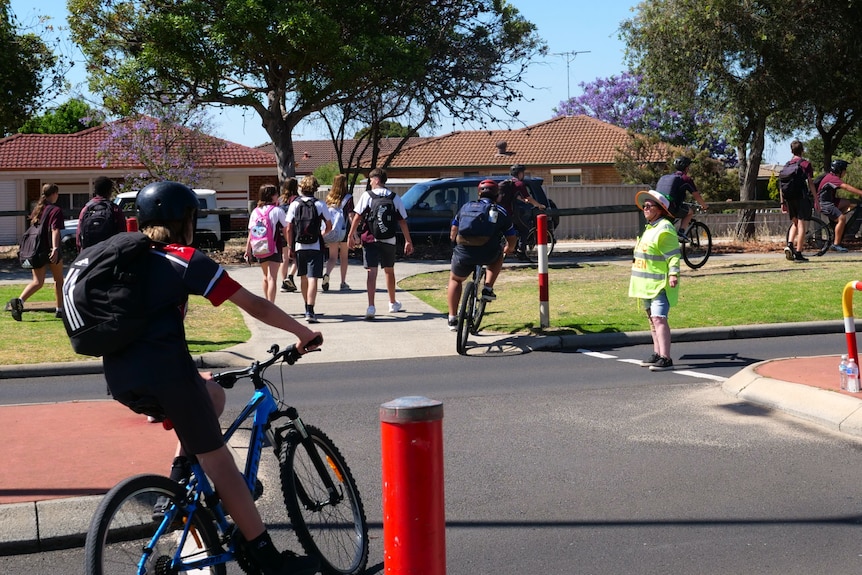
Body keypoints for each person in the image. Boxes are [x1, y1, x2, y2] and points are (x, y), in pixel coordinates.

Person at [100, 181, 321, 575]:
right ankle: (265, 556)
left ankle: (175, 487)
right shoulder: (181, 258)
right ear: (186, 221)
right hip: (168, 375)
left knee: (214, 395)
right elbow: (252, 303)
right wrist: (302, 333)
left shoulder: (125, 261)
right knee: (221, 464)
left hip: (120, 379)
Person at [446, 180, 518, 330]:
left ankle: (452, 318)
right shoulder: (501, 211)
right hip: (488, 252)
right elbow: (511, 237)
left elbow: (453, 230)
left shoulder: (465, 207)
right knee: (499, 256)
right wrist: (509, 248)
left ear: (479, 193)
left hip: (464, 253)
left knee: (455, 279)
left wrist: (455, 245)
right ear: (497, 195)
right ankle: (488, 288)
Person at [347, 168, 414, 320]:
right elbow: (402, 221)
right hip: (389, 240)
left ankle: (371, 306)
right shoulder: (394, 197)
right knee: (389, 271)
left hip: (370, 239)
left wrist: (351, 235)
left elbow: (357, 217)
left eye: (371, 180)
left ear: (377, 180)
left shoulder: (367, 196)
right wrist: (408, 240)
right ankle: (392, 302)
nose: (370, 183)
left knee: (371, 272)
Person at [629, 189, 681, 372]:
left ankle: (666, 358)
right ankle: (657, 353)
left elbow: (673, 255)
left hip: (659, 284)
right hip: (646, 285)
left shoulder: (664, 228)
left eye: (649, 206)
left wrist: (673, 274)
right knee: (652, 320)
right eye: (644, 206)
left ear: (659, 209)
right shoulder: (650, 227)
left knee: (659, 318)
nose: (645, 208)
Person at [8, 183, 65, 321]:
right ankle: (60, 310)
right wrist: (56, 248)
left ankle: (20, 301)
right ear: (54, 194)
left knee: (38, 282)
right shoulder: (55, 210)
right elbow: (55, 230)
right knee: (58, 280)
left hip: (37, 250)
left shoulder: (38, 210)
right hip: (50, 249)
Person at [286, 175, 331, 323]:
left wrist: (290, 246)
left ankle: (306, 305)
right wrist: (321, 235)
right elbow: (329, 225)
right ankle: (310, 310)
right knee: (313, 278)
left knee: (303, 277)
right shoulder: (320, 205)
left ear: (301, 188)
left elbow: (288, 228)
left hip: (299, 246)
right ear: (316, 188)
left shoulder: (294, 204)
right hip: (315, 245)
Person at [245, 184, 288, 303]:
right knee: (272, 277)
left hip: (259, 246)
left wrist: (248, 250)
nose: (277, 196)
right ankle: (271, 305)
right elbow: (286, 229)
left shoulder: (255, 212)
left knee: (265, 277)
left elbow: (251, 232)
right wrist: (289, 244)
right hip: (273, 247)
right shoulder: (278, 211)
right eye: (276, 194)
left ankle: (266, 303)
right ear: (272, 196)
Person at [782, 140, 818, 262]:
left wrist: (783, 203)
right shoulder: (805, 164)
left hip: (789, 198)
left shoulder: (786, 165)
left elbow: (781, 185)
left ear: (791, 151)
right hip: (801, 197)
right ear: (802, 151)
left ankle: (790, 244)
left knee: (795, 223)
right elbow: (811, 183)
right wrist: (816, 198)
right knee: (802, 224)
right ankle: (798, 253)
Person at [817, 159, 862, 252]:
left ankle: (835, 221)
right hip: (824, 203)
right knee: (842, 218)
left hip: (829, 201)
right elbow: (846, 187)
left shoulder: (831, 176)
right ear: (839, 170)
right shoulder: (832, 178)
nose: (845, 172)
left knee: (847, 203)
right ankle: (836, 244)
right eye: (844, 170)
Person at [76, 176, 126, 251]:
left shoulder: (86, 209)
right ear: (110, 191)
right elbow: (122, 235)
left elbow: (79, 237)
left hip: (90, 255)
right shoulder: (115, 210)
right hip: (110, 254)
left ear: (95, 190)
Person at [508, 164, 546, 261]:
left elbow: (516, 197)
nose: (523, 175)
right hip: (514, 212)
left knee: (514, 229)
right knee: (524, 229)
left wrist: (522, 200)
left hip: (506, 212)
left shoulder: (509, 183)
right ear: (520, 173)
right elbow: (529, 198)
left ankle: (514, 248)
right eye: (523, 173)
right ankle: (521, 252)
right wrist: (539, 205)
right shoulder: (519, 184)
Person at [323, 173, 353, 291]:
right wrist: (354, 233)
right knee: (344, 257)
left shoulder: (329, 199)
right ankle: (343, 282)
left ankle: (327, 274)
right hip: (344, 230)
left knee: (332, 256)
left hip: (332, 231)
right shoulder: (348, 198)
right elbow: (350, 215)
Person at [663, 156, 708, 236]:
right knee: (690, 212)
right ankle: (681, 233)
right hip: (673, 207)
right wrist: (704, 206)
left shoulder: (668, 177)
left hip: (662, 206)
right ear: (687, 168)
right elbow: (696, 196)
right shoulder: (686, 179)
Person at [278, 178, 299, 292]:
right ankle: (290, 276)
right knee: (297, 257)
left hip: (281, 230)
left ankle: (284, 281)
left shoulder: (280, 200)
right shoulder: (297, 200)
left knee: (284, 258)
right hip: (294, 231)